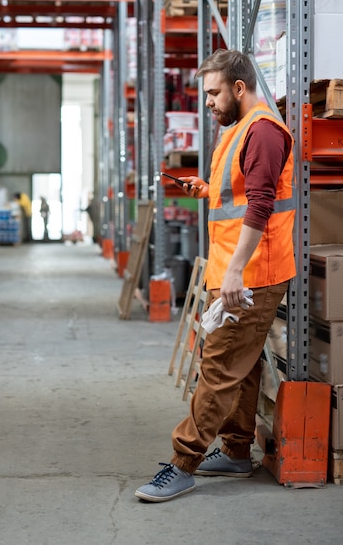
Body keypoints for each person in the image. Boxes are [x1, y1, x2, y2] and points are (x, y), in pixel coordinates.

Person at [135, 49, 296, 502]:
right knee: (241, 368)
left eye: (213, 92)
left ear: (238, 88)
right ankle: (238, 451)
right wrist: (206, 190)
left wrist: (236, 272)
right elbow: (243, 194)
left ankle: (183, 462)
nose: (207, 102)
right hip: (242, 269)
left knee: (219, 365)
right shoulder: (241, 130)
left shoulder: (263, 131)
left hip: (250, 274)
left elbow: (262, 206)